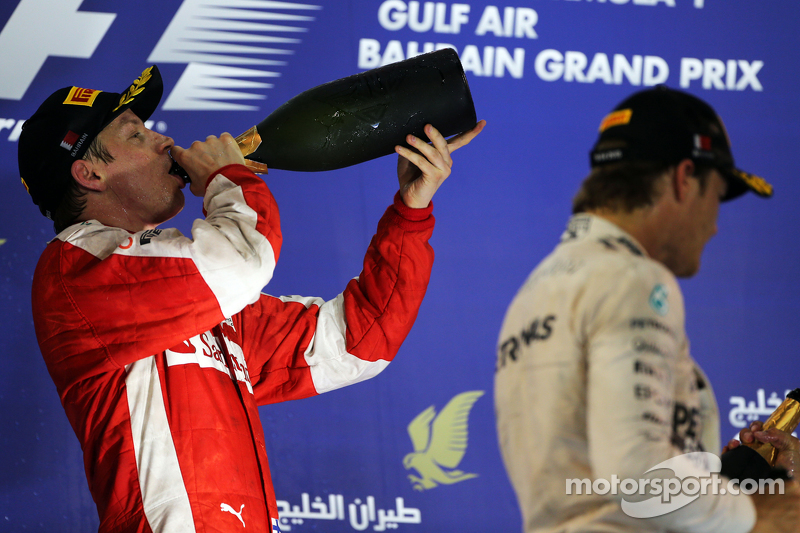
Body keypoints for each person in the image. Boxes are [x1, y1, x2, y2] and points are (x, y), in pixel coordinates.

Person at [18, 65, 485, 533]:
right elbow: (242, 260)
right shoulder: (78, 270)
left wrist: (411, 210)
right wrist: (227, 174)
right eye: (136, 134)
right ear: (90, 172)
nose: (164, 141)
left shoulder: (195, 300)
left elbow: (357, 345)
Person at [493, 86, 800, 533]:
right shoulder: (634, 278)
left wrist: (738, 480)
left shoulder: (536, 290)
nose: (715, 226)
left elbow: (600, 480)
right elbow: (638, 472)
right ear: (684, 177)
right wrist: (761, 517)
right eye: (717, 196)